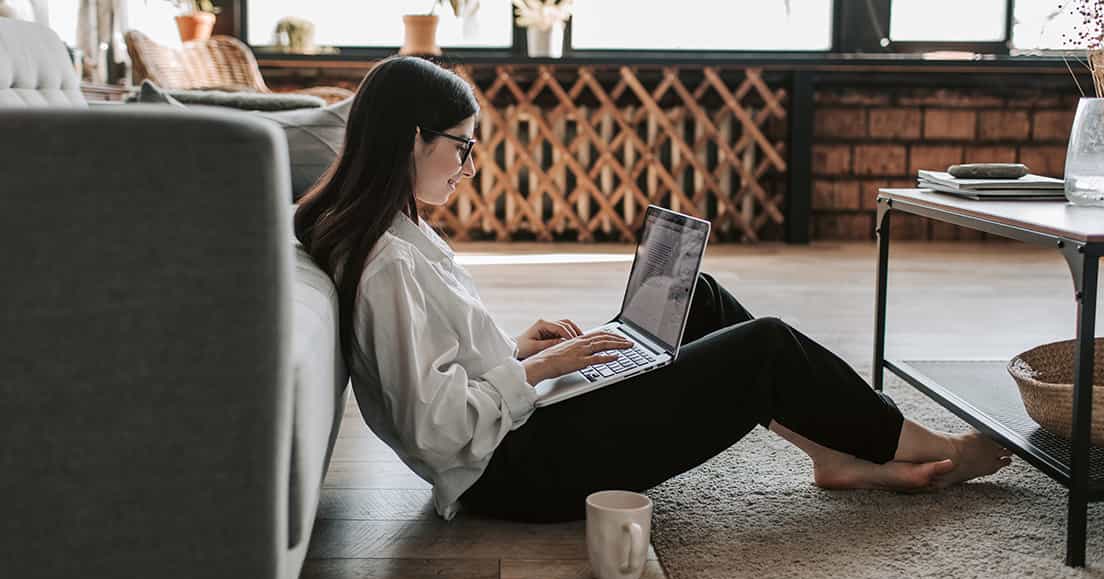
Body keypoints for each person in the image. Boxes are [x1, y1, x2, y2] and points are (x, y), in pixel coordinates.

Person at [294, 57, 1012, 523]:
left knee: (695, 295)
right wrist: (538, 371)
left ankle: (832, 453)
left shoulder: (397, 232)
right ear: (412, 140)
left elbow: (436, 372)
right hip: (510, 474)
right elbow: (436, 429)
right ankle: (921, 445)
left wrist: (518, 349)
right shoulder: (389, 261)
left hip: (515, 432)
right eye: (463, 146)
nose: (469, 165)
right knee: (764, 347)